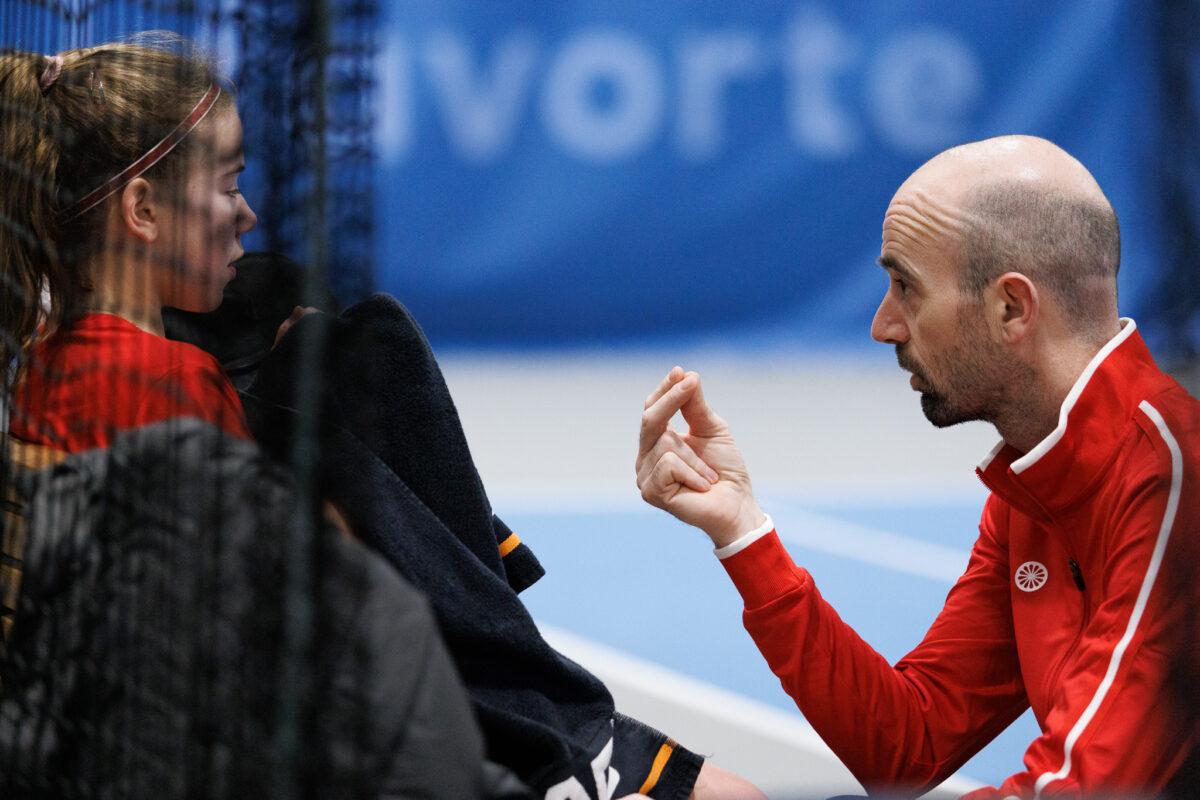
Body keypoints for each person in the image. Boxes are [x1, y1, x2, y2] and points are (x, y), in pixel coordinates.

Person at [635, 135, 1200, 798]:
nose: (883, 325)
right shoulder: (1036, 478)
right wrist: (742, 531)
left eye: (906, 287)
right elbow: (908, 743)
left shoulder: (1173, 476)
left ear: (1011, 308)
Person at [1, 39, 258, 450]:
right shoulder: (182, 385)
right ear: (144, 210)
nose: (249, 217)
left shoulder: (39, 364)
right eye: (229, 188)